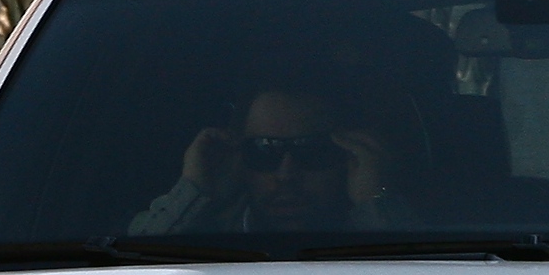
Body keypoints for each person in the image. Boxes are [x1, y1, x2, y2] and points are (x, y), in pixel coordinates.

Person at [131, 79, 406, 234]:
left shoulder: (384, 231)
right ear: (237, 157)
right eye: (264, 150)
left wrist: (374, 201)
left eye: (311, 151)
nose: (286, 175)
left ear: (352, 157)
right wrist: (193, 191)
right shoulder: (197, 237)